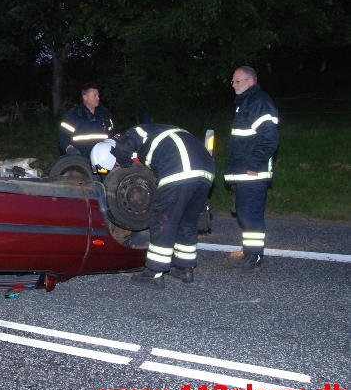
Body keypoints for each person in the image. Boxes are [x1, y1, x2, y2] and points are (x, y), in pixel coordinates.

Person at [91, 124, 215, 289]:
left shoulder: (132, 134)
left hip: (179, 168)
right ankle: (185, 268)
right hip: (206, 171)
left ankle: (155, 272)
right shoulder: (157, 132)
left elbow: (122, 148)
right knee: (187, 221)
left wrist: (123, 161)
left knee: (163, 221)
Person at [225, 66, 279, 272]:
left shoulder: (259, 102)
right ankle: (249, 250)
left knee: (251, 215)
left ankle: (254, 256)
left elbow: (269, 138)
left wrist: (254, 165)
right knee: (244, 214)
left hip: (252, 173)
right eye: (233, 81)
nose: (233, 85)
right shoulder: (245, 103)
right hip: (243, 172)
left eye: (237, 81)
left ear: (250, 81)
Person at [58, 83, 114, 157]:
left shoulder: (105, 115)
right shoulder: (73, 115)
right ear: (85, 97)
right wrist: (69, 149)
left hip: (103, 158)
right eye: (95, 95)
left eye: (98, 95)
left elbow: (112, 134)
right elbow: (63, 137)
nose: (98, 98)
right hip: (81, 159)